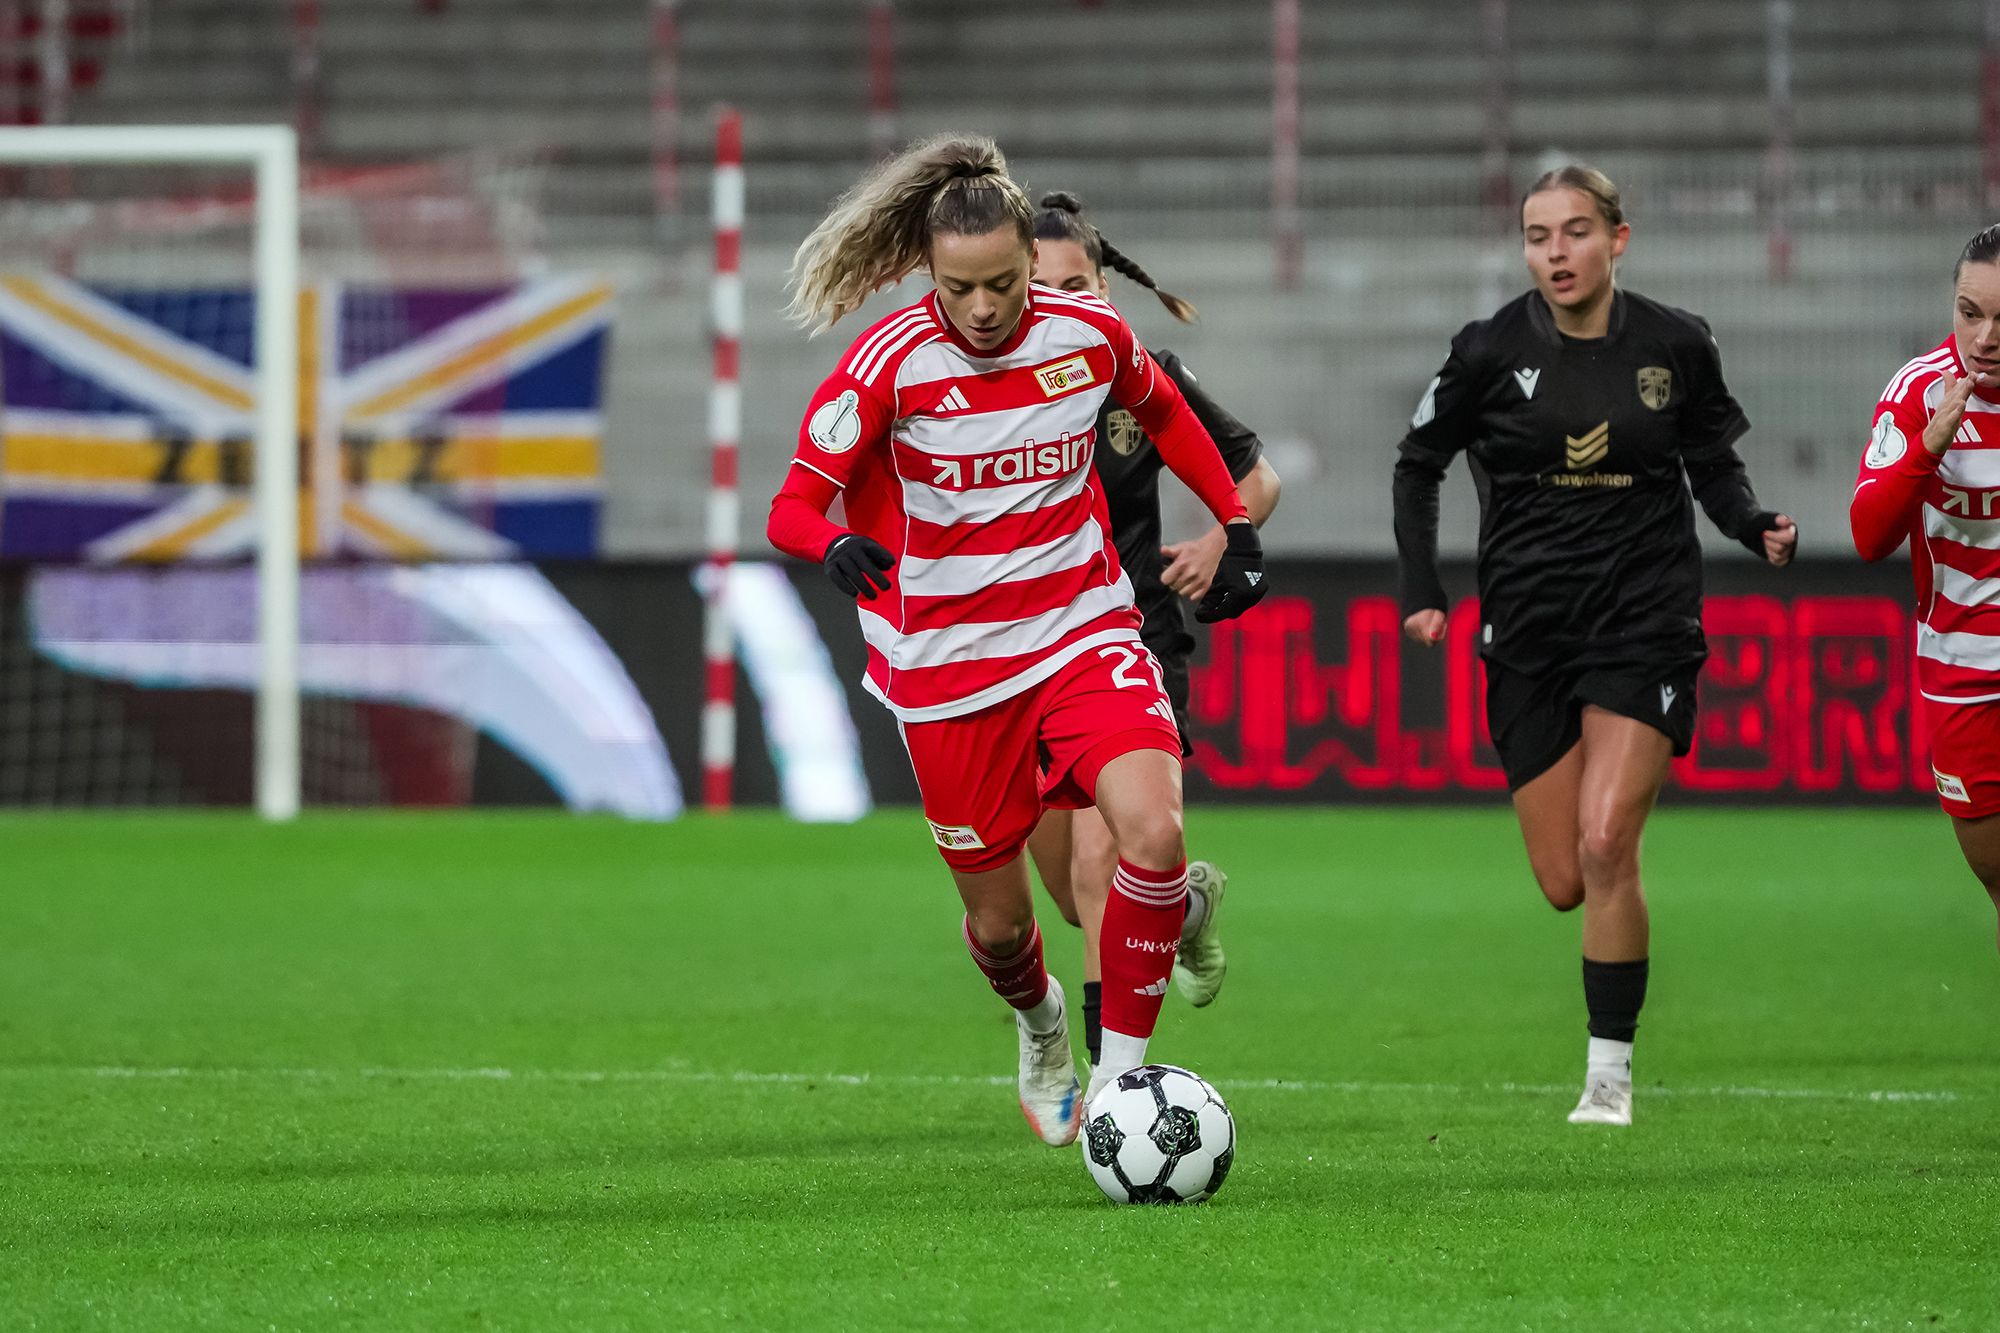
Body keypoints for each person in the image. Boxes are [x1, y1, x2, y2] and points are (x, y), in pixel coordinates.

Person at [766, 135, 1269, 1147]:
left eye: (1003, 282)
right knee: (1003, 926)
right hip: (948, 672)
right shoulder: (885, 365)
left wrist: (1235, 523)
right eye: (964, 288)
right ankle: (1038, 1022)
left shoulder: (1084, 335)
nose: (987, 307)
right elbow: (790, 505)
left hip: (1081, 631)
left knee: (1153, 833)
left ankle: (1120, 1093)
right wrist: (831, 545)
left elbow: (1165, 415)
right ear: (926, 272)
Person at [1391, 164, 1798, 1127]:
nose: (1556, 252)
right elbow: (1418, 463)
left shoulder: (1675, 342)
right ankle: (1607, 1038)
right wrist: (1422, 586)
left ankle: (1608, 1076)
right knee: (1564, 878)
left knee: (1610, 841)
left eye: (1575, 232)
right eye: (1538, 236)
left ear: (1618, 239)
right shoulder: (1487, 350)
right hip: (1528, 630)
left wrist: (1751, 524)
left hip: (1644, 619)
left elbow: (1711, 461)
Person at [1021, 191, 1281, 1072]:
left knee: (1100, 867)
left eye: (1078, 283)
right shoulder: (989, 387)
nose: (1063, 300)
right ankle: (1186, 907)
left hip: (1133, 635)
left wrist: (1219, 537)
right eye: (1040, 285)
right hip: (1026, 648)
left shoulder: (1142, 372)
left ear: (1106, 289)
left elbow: (1258, 476)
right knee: (1067, 892)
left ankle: (1114, 1091)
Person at [1851, 223, 2000, 947]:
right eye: (1971, 313)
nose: (1986, 336)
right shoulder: (1917, 395)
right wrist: (1927, 449)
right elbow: (1869, 535)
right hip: (1965, 675)